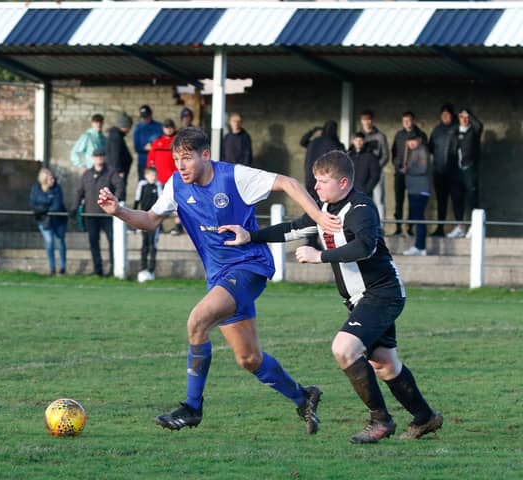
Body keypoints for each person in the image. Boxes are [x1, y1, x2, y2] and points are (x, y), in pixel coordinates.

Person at [97, 127, 341, 433]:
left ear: (206, 156)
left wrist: (318, 218)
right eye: (176, 160)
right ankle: (303, 397)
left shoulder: (234, 177)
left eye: (186, 159)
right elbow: (149, 220)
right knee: (249, 358)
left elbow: (288, 182)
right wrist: (117, 210)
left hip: (249, 267)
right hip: (219, 277)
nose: (180, 166)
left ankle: (192, 408)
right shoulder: (175, 185)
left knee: (197, 321)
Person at [220, 150, 443, 444]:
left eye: (323, 181)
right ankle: (425, 418)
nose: (316, 187)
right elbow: (295, 228)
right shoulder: (326, 207)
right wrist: (251, 235)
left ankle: (381, 420)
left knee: (343, 348)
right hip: (360, 298)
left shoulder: (361, 208)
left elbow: (365, 247)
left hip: (381, 293)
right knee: (385, 364)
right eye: (315, 180)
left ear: (344, 182)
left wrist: (319, 256)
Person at [73, 147, 125, 276]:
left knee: (112, 241)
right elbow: (80, 192)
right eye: (96, 156)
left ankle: (114, 269)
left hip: (107, 214)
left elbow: (120, 187)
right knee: (93, 242)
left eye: (101, 156)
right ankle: (98, 270)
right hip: (90, 214)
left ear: (105, 157)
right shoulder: (87, 174)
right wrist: (75, 206)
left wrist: (115, 202)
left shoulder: (111, 172)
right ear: (93, 158)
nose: (99, 158)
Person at [391, 112, 428, 236]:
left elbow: (425, 155)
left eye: (409, 120)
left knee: (413, 201)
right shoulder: (399, 135)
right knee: (399, 200)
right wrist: (398, 166)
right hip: (400, 173)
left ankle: (410, 228)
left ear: (413, 121)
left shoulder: (421, 135)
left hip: (414, 175)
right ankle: (398, 227)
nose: (406, 123)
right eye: (404, 121)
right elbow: (394, 153)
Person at [448, 108, 483, 239]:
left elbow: (479, 126)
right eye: (462, 116)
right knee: (457, 198)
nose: (464, 119)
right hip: (456, 170)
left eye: (466, 117)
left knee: (472, 198)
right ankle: (460, 227)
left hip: (469, 169)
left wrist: (470, 115)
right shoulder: (455, 132)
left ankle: (475, 226)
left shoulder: (473, 131)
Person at [428, 104, 460, 237]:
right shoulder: (436, 130)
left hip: (455, 172)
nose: (445, 117)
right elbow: (430, 148)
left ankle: (460, 228)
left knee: (457, 200)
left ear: (453, 115)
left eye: (448, 114)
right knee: (441, 201)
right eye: (443, 114)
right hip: (439, 172)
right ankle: (440, 228)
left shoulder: (458, 129)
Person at [147, 118, 183, 235]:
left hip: (175, 179)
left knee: (177, 204)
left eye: (170, 127)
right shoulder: (157, 142)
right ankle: (159, 225)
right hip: (159, 179)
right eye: (166, 127)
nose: (168, 129)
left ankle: (178, 226)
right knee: (159, 203)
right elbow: (151, 160)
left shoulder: (178, 142)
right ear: (163, 128)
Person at [30, 168, 68, 275]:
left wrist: (43, 208)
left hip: (58, 220)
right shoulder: (36, 189)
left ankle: (63, 267)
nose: (53, 180)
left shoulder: (57, 189)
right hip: (44, 221)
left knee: (60, 242)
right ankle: (52, 267)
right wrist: (45, 209)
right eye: (50, 178)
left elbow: (57, 206)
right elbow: (33, 205)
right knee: (49, 241)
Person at [402, 132, 431, 256]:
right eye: (409, 141)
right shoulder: (412, 152)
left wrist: (408, 170)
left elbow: (423, 169)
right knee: (417, 217)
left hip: (421, 190)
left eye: (413, 140)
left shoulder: (422, 150)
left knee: (419, 218)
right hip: (414, 189)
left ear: (419, 140)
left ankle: (420, 247)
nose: (411, 143)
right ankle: (419, 246)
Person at [300, 120, 345, 196]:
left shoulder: (313, 142)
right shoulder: (336, 144)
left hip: (310, 179)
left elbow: (302, 142)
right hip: (325, 180)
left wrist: (312, 131)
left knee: (312, 204)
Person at [133, 166, 162, 281]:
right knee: (144, 244)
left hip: (154, 219)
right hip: (143, 218)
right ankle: (143, 269)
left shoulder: (158, 186)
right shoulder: (142, 185)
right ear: (146, 176)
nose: (153, 178)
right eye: (151, 175)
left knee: (153, 244)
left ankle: (151, 270)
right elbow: (137, 200)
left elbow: (161, 201)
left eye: (155, 176)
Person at [360, 110, 389, 222]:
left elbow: (385, 155)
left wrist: (376, 168)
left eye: (368, 119)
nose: (366, 122)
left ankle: (380, 226)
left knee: (379, 200)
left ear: (372, 120)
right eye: (364, 120)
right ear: (361, 121)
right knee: (364, 200)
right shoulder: (359, 136)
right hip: (362, 174)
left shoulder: (380, 136)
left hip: (376, 173)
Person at [106, 112, 133, 203]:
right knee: (119, 193)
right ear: (126, 126)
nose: (129, 129)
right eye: (129, 127)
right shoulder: (116, 137)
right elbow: (115, 155)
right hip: (118, 172)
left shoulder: (116, 135)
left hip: (117, 171)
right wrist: (119, 171)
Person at [133, 105, 163, 182]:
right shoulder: (138, 128)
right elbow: (136, 147)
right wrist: (144, 148)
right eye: (143, 117)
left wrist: (153, 147)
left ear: (151, 114)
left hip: (156, 162)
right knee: (143, 184)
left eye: (147, 116)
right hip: (143, 161)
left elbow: (163, 143)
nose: (145, 118)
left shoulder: (159, 127)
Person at [348, 132, 381, 198]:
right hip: (349, 192)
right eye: (356, 140)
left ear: (364, 141)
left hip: (365, 194)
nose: (358, 142)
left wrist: (366, 189)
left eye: (360, 140)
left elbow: (375, 175)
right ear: (353, 141)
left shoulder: (371, 156)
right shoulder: (349, 156)